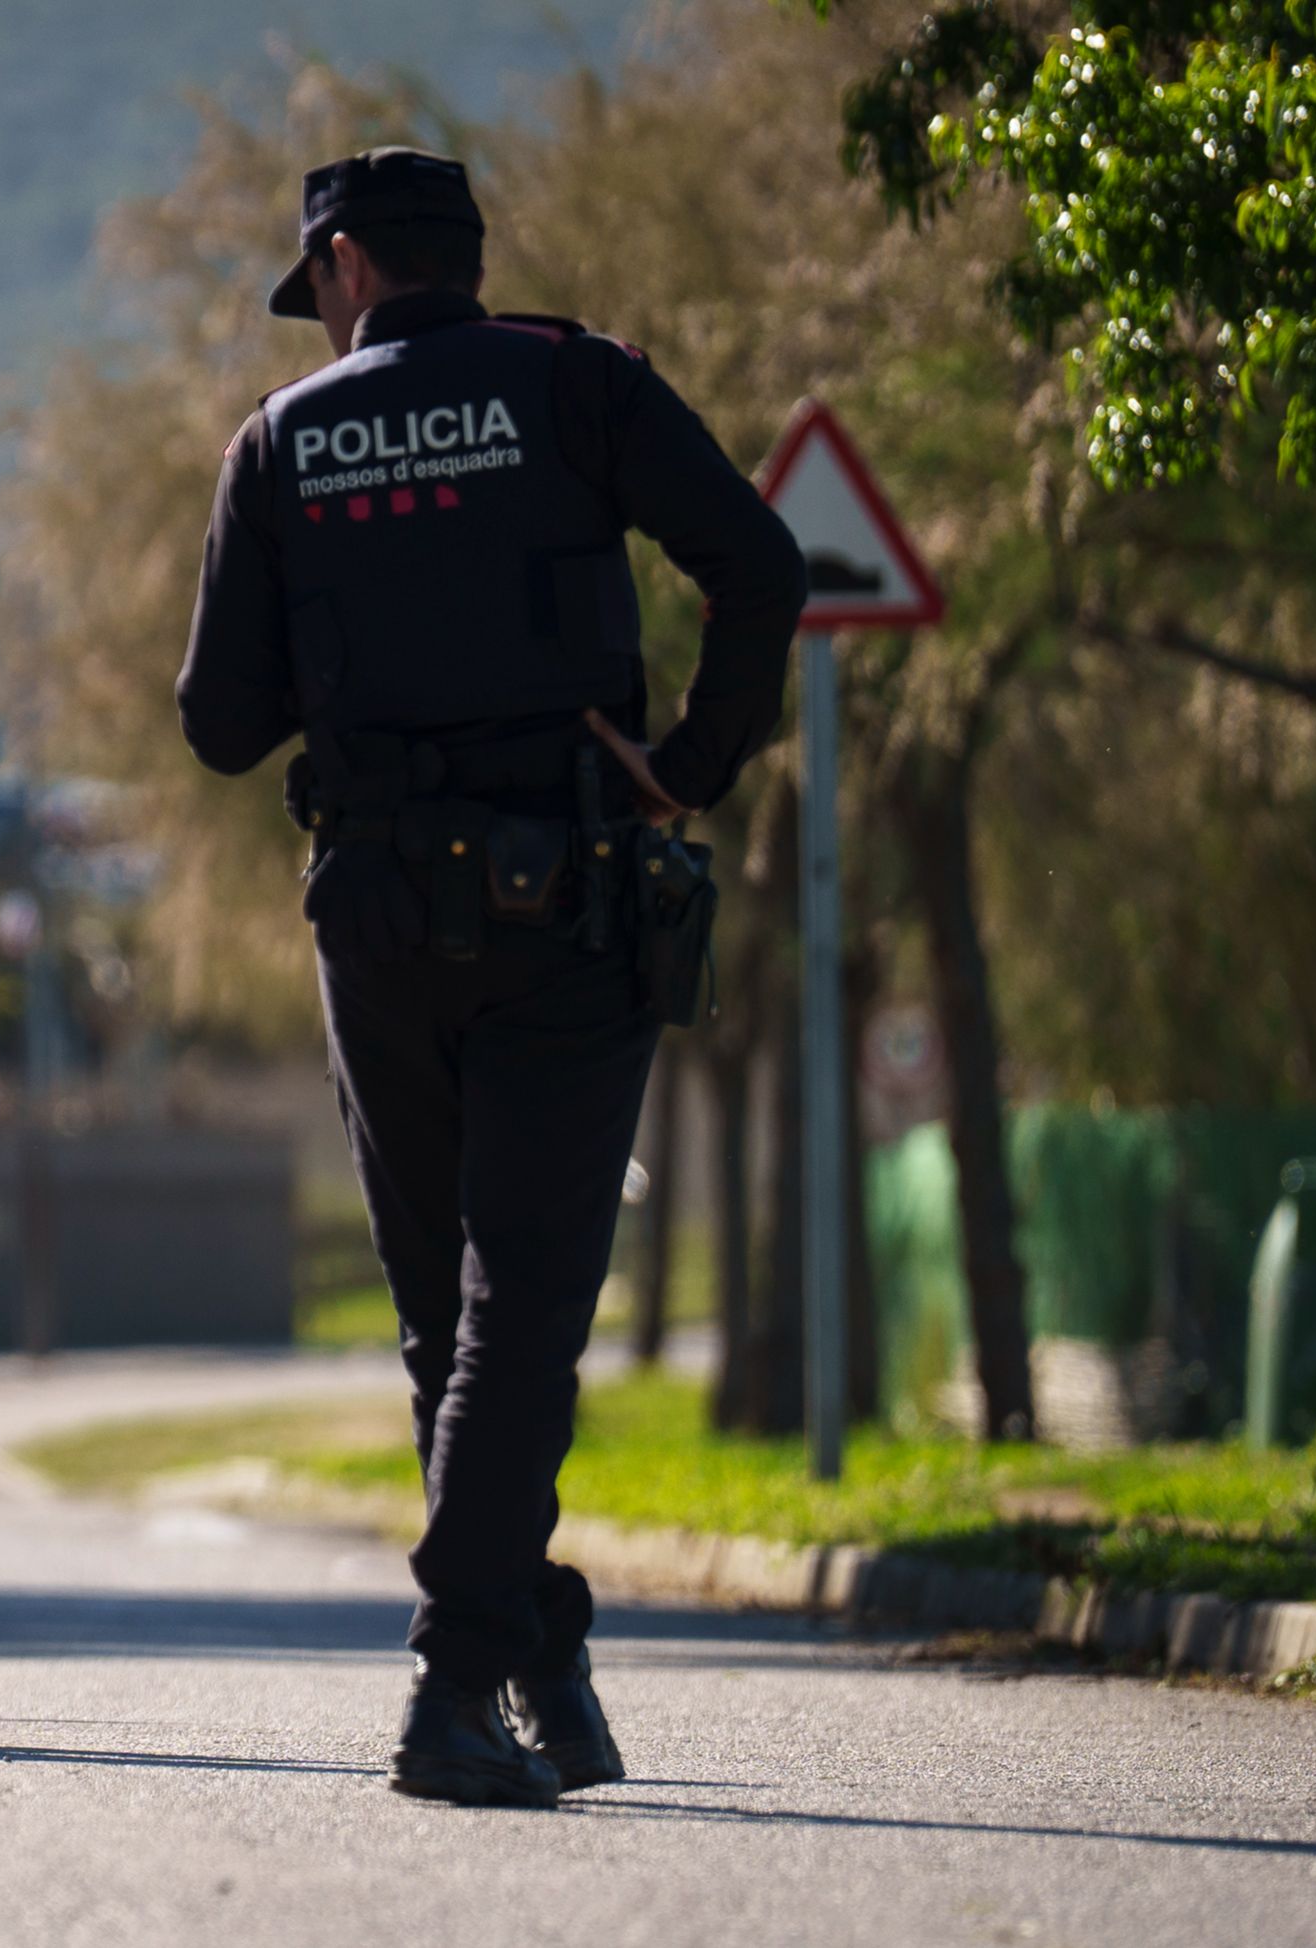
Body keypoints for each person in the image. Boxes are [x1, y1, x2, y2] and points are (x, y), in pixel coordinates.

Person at [177, 150, 805, 1806]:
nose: (315, 317)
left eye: (314, 288)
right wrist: (688, 766)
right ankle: (512, 1669)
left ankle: (483, 1683)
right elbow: (761, 566)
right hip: (572, 906)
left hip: (379, 924)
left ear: (353, 265)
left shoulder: (282, 442)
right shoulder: (575, 382)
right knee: (517, 1312)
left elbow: (220, 726)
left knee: (444, 1320)